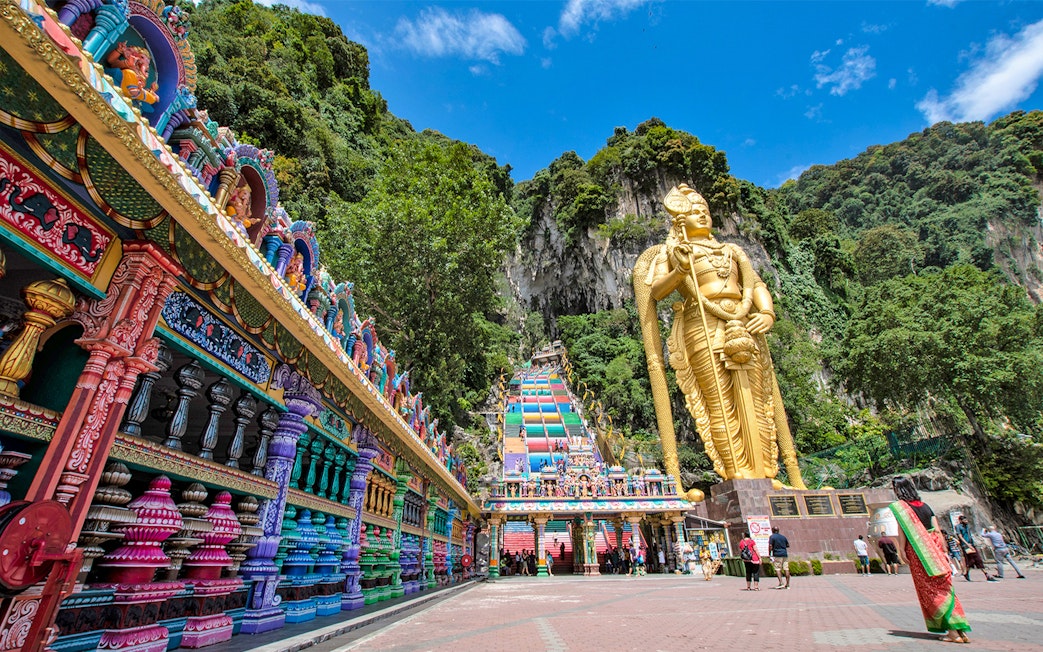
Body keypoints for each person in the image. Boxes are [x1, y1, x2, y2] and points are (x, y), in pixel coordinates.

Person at [635, 185, 807, 502]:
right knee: (719, 403)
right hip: (702, 325)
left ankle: (766, 471)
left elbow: (755, 285)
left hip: (744, 323)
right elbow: (657, 291)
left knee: (759, 400)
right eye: (693, 208)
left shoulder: (732, 250)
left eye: (705, 208)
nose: (702, 212)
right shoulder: (673, 252)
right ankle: (735, 472)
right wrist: (680, 269)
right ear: (678, 220)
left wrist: (766, 312)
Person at [890, 476, 971, 644]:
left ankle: (953, 633)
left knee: (931, 590)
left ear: (899, 490)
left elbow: (902, 531)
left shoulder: (903, 509)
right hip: (935, 550)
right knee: (945, 587)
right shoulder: (926, 507)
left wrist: (901, 551)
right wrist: (943, 550)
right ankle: (960, 631)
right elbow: (938, 530)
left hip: (919, 553)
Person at [955, 516, 993, 582]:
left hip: (972, 544)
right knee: (974, 559)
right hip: (966, 546)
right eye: (964, 519)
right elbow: (960, 536)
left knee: (974, 560)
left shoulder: (967, 526)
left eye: (966, 519)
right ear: (961, 520)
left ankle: (968, 573)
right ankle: (986, 574)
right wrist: (967, 545)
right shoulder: (958, 527)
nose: (966, 520)